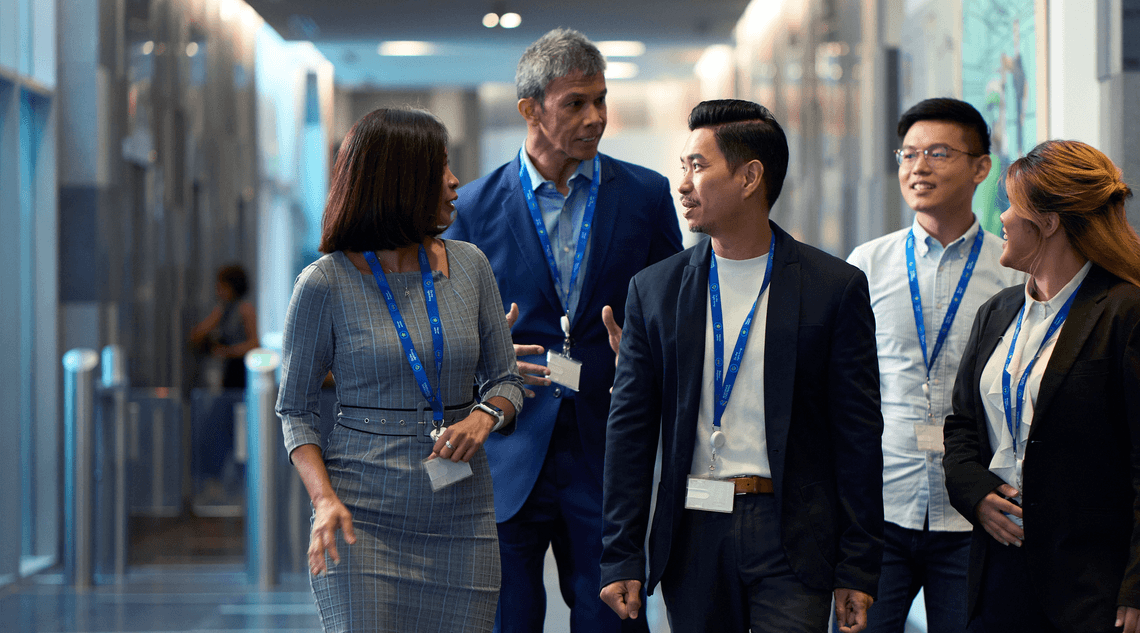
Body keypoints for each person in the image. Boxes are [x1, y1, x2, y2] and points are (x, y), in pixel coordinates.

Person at [598, 99, 883, 633]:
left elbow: (858, 436)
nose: (682, 183)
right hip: (692, 531)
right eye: (683, 166)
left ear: (751, 177)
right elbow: (630, 430)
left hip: (791, 531)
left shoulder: (833, 288)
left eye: (698, 167)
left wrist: (859, 567)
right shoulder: (655, 290)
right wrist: (620, 552)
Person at [443, 27, 682, 633]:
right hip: (508, 447)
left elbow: (675, 314)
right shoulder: (470, 208)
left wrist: (648, 350)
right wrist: (478, 352)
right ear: (530, 110)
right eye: (575, 103)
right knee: (505, 621)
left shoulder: (647, 197)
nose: (595, 117)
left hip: (607, 448)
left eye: (600, 99)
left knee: (613, 620)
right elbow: (442, 331)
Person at [276, 107, 525, 633]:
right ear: (398, 180)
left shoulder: (471, 266)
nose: (455, 182)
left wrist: (483, 418)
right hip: (360, 513)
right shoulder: (325, 282)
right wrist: (322, 501)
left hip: (462, 512)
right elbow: (295, 410)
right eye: (439, 168)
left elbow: (506, 378)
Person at [942, 139, 1140, 633]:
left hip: (1091, 586)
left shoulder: (1126, 312)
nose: (1002, 218)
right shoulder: (999, 310)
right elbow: (962, 426)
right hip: (999, 570)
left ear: (1048, 222)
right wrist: (977, 493)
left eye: (1012, 205)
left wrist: (1136, 588)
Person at [846, 98, 1025, 633]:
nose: (918, 167)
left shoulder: (1012, 269)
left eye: (938, 153)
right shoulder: (867, 264)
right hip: (881, 506)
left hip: (973, 509)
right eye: (908, 153)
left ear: (980, 167)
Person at [190, 264, 258, 389]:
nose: (218, 291)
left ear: (232, 287)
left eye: (222, 287)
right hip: (224, 369)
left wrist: (227, 352)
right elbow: (196, 335)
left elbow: (254, 344)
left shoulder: (245, 309)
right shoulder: (222, 309)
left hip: (240, 370)